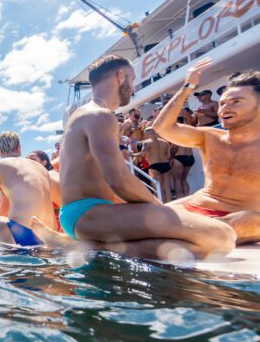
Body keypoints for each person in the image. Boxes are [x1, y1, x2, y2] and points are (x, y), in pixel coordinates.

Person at [30, 54, 236, 259]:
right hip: (89, 214)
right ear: (120, 76)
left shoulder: (83, 115)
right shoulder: (99, 115)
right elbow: (118, 178)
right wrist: (159, 208)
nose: (134, 87)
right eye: (132, 78)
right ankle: (85, 247)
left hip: (85, 213)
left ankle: (79, 244)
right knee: (221, 236)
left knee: (185, 248)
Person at [154, 61, 260, 244]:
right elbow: (162, 127)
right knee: (142, 215)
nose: (224, 108)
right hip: (195, 208)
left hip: (237, 218)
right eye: (223, 103)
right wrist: (187, 86)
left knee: (248, 220)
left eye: (236, 102)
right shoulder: (210, 137)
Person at [135, 127, 172, 202]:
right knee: (167, 187)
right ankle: (170, 204)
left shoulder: (146, 142)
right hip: (165, 164)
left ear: (146, 134)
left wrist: (132, 154)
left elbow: (142, 154)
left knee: (157, 188)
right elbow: (168, 156)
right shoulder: (165, 142)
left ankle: (161, 206)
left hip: (154, 166)